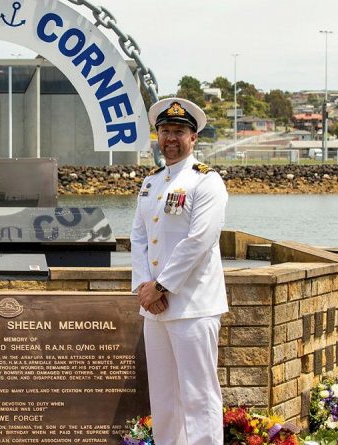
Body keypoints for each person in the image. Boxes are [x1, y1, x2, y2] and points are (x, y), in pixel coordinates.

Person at [130, 98, 229, 445]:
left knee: (198, 396)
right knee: (165, 399)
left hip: (193, 307)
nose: (171, 138)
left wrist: (161, 286)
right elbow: (140, 236)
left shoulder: (207, 182)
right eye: (165, 131)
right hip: (155, 310)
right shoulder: (151, 182)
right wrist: (145, 289)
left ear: (194, 137)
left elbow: (199, 240)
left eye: (179, 132)